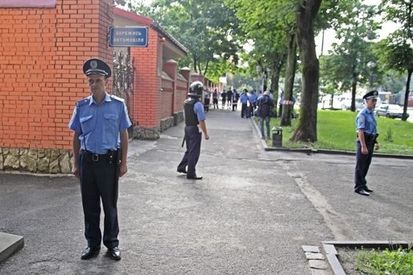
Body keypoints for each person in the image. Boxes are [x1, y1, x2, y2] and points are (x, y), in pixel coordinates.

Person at [68, 58, 132, 261]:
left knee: (110, 205)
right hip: (87, 162)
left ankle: (112, 244)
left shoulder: (118, 106)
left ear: (106, 82)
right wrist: (75, 163)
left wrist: (124, 162)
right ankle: (92, 244)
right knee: (90, 206)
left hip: (109, 162)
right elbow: (76, 137)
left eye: (97, 80)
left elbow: (123, 135)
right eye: (91, 81)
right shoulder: (81, 107)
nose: (94, 84)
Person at [177, 81, 210, 180]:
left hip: (187, 128)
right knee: (194, 152)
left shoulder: (186, 102)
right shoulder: (198, 104)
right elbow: (201, 120)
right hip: (194, 129)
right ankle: (191, 173)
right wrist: (205, 133)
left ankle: (182, 167)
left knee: (189, 150)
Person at [354, 90, 379, 196]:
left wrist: (376, 142)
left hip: (371, 141)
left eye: (375, 100)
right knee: (361, 165)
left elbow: (373, 129)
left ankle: (363, 184)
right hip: (364, 141)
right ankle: (358, 187)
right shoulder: (363, 114)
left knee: (366, 164)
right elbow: (361, 131)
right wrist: (363, 146)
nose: (374, 103)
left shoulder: (371, 113)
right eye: (373, 100)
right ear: (366, 101)